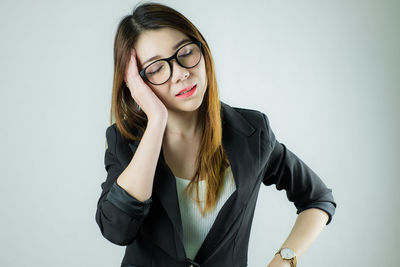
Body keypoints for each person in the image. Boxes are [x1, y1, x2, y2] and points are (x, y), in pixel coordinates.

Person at [95, 2, 337, 267]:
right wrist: (156, 121)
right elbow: (117, 231)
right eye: (156, 69)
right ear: (136, 82)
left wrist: (284, 261)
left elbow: (317, 198)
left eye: (186, 52)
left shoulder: (252, 132)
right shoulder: (125, 141)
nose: (181, 73)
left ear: (203, 50)